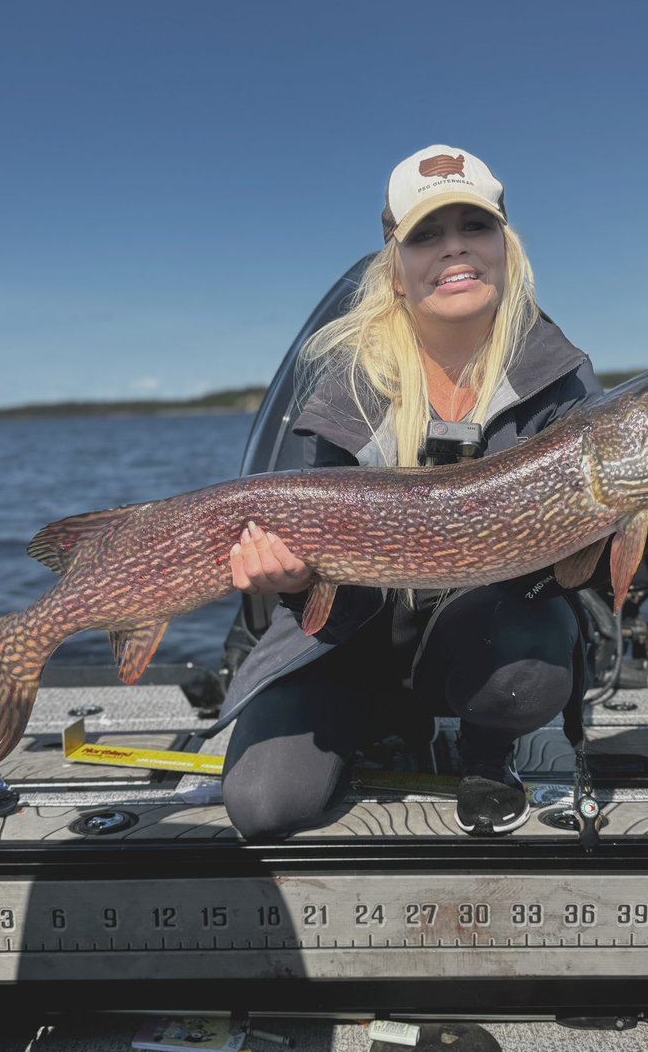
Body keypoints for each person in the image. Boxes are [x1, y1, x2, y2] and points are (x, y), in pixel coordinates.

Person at [219, 144, 603, 839]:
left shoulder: (562, 378)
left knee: (529, 672)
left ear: (505, 247)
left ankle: (486, 750)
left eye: (474, 227)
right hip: (351, 635)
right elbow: (313, 562)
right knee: (265, 806)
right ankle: (383, 721)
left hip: (483, 630)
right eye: (425, 235)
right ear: (395, 270)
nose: (454, 250)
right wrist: (286, 579)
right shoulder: (345, 386)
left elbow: (587, 569)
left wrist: (633, 515)